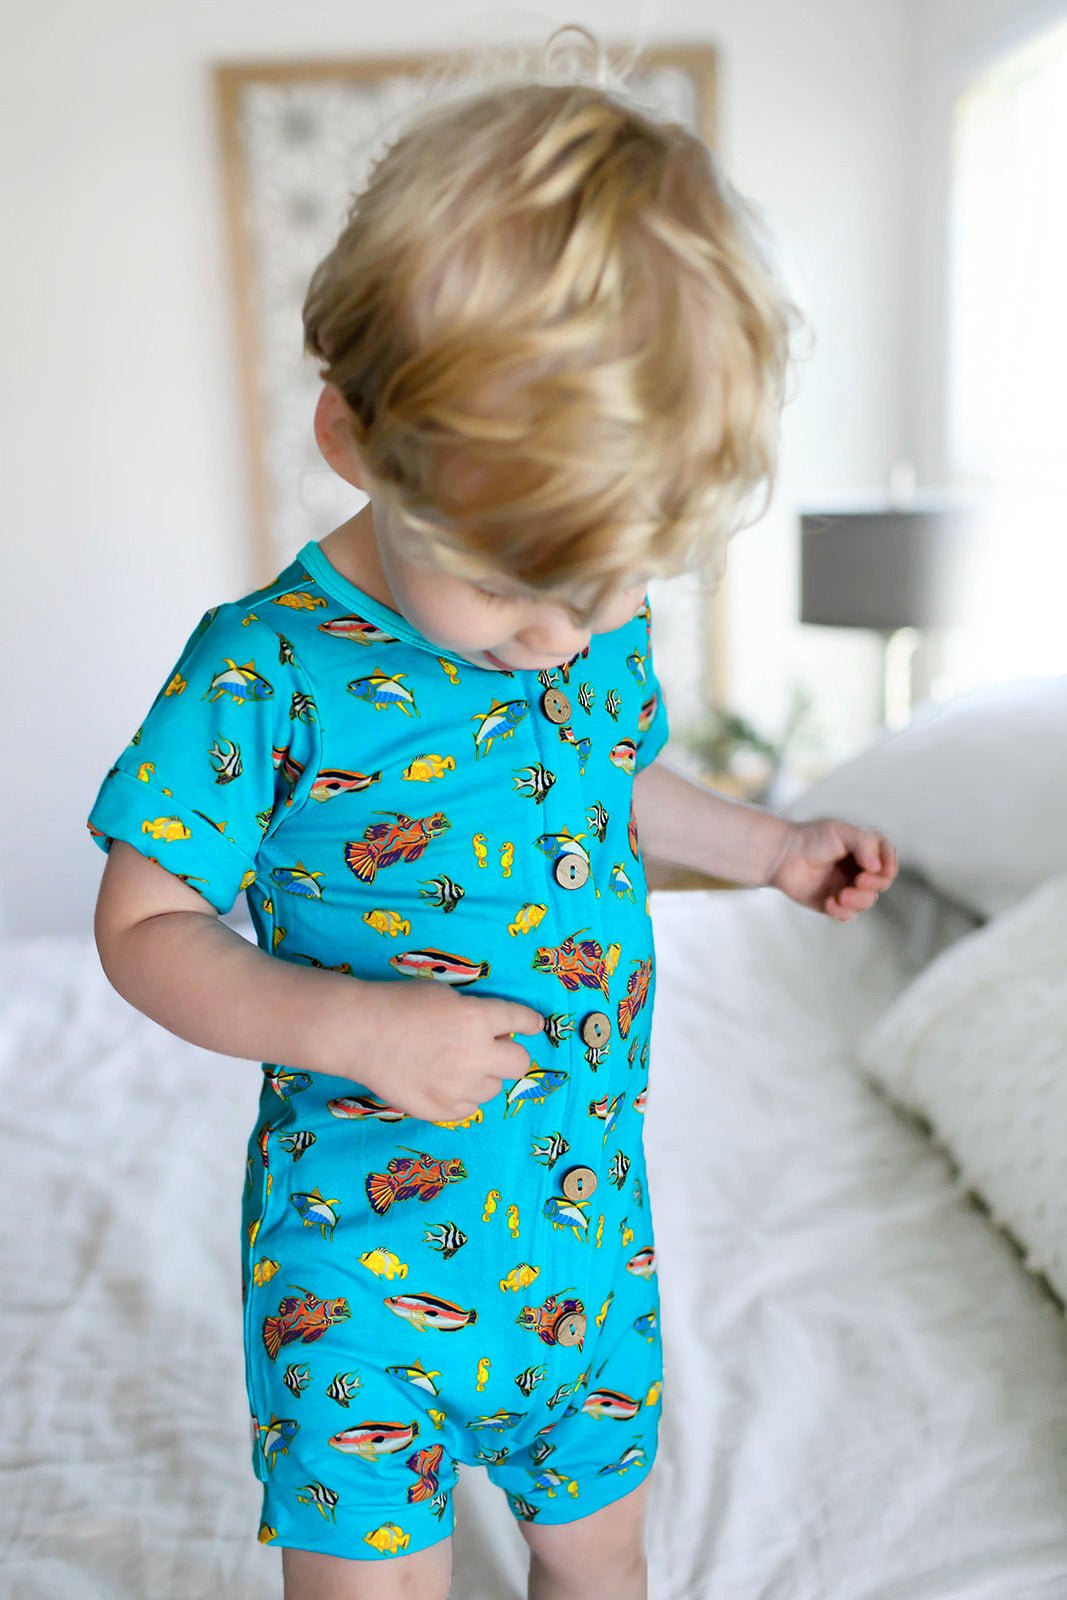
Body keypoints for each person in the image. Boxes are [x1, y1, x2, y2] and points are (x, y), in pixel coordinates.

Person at [86, 24, 898, 1600]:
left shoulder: (583, 621)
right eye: (515, 592)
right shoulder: (263, 669)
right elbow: (145, 924)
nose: (559, 639)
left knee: (605, 1564)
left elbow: (606, 786)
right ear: (354, 442)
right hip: (354, 1271)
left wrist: (770, 849)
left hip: (587, 1247)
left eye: (610, 590)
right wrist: (352, 1028)